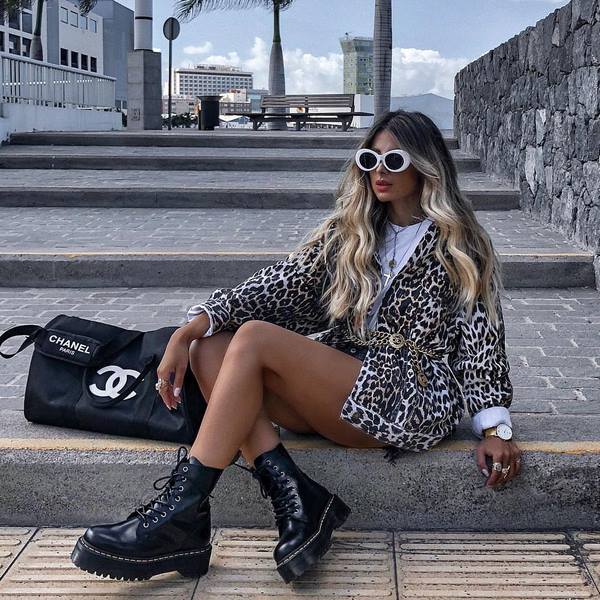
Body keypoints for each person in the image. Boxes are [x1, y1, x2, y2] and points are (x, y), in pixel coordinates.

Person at [70, 109, 522, 584]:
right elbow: (279, 285)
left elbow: (482, 342)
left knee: (254, 338)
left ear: (425, 166)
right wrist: (190, 329)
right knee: (210, 348)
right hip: (343, 379)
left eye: (394, 161)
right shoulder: (351, 233)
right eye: (370, 159)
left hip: (410, 393)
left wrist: (496, 428)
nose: (379, 172)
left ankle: (183, 513)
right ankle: (296, 498)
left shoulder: (460, 244)